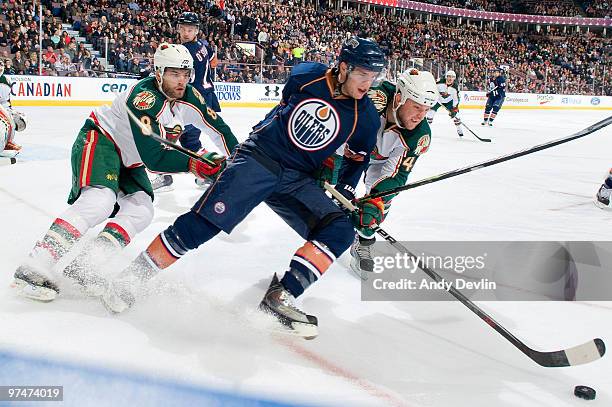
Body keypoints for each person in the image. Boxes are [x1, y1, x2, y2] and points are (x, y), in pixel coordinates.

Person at [100, 37, 387, 339]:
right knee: (204, 224)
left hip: (298, 179)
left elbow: (358, 159)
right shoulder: (307, 75)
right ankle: (132, 278)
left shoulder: (365, 117)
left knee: (339, 230)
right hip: (259, 160)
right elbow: (283, 108)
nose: (368, 83)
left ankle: (282, 296)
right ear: (343, 67)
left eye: (373, 77)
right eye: (362, 75)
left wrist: (344, 189)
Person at [12, 43, 238, 302]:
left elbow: (220, 130)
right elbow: (154, 158)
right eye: (175, 74)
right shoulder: (145, 98)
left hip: (130, 158)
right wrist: (195, 163)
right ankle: (34, 264)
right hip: (102, 141)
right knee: (100, 201)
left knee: (141, 210)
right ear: (158, 72)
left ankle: (84, 267)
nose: (182, 81)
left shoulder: (191, 97)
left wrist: (239, 163)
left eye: (186, 74)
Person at [348, 69, 438, 278]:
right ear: (398, 98)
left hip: (381, 160)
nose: (420, 116)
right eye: (416, 106)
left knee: (378, 202)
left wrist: (374, 202)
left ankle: (364, 240)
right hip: (350, 149)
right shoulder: (374, 98)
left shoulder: (419, 134)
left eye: (426, 109)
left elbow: (396, 176)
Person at [151, 12, 223, 192]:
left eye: (189, 29)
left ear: (196, 31)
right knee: (190, 142)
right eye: (182, 29)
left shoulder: (185, 51)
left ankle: (164, 176)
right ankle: (208, 173)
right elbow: (214, 61)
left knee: (166, 137)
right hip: (204, 97)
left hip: (191, 101)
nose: (185, 32)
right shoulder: (204, 45)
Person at [426, 70, 463, 138]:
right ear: (446, 77)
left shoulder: (455, 87)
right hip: (438, 100)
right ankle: (427, 130)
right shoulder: (439, 82)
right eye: (449, 76)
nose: (450, 78)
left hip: (449, 102)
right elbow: (432, 88)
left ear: (454, 78)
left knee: (457, 116)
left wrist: (454, 109)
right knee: (430, 113)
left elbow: (456, 99)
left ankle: (459, 129)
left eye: (452, 77)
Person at [0, 59, 27, 152]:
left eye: (1, 66)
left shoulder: (5, 80)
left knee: (14, 122)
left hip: (4, 107)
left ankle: (8, 142)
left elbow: (4, 99)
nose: (0, 68)